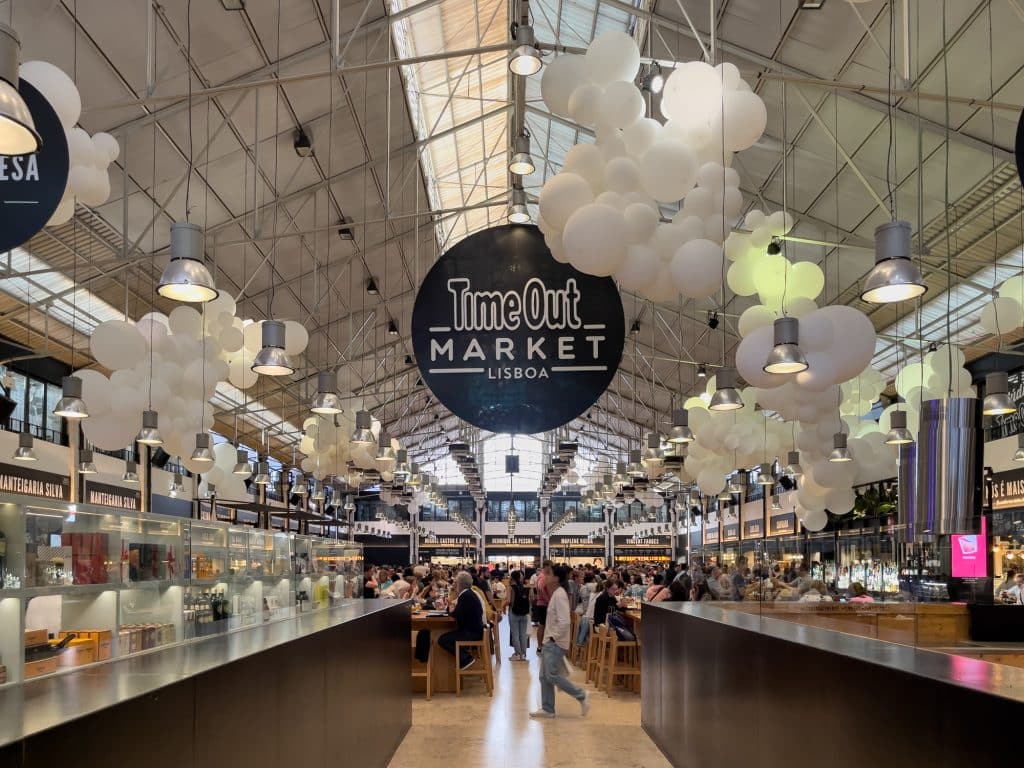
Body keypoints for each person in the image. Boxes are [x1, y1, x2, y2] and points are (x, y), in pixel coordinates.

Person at [530, 565, 589, 719]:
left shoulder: (560, 594)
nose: (544, 576)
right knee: (544, 677)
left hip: (555, 642)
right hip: (551, 641)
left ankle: (581, 695)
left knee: (551, 675)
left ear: (556, 578)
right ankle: (548, 708)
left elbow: (564, 621)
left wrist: (552, 637)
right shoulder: (557, 593)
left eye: (548, 574)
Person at [438, 572, 485, 670]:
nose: (454, 586)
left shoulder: (465, 596)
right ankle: (464, 658)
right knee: (447, 638)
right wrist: (451, 609)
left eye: (455, 583)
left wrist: (450, 610)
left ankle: (466, 658)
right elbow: (460, 612)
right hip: (475, 630)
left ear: (459, 584)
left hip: (471, 632)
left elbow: (458, 615)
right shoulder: (469, 593)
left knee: (443, 639)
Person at [508, 570, 531, 661]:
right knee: (523, 635)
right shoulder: (525, 587)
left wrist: (502, 607)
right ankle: (524, 654)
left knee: (515, 634)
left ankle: (517, 654)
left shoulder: (511, 587)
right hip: (524, 613)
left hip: (514, 613)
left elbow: (509, 600)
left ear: (512, 578)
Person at [533, 561, 553, 645]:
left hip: (541, 603)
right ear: (546, 566)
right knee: (542, 625)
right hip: (543, 604)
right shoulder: (543, 576)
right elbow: (541, 588)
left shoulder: (541, 575)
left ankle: (541, 645)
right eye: (551, 566)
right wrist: (548, 600)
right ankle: (540, 645)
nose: (551, 569)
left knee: (543, 625)